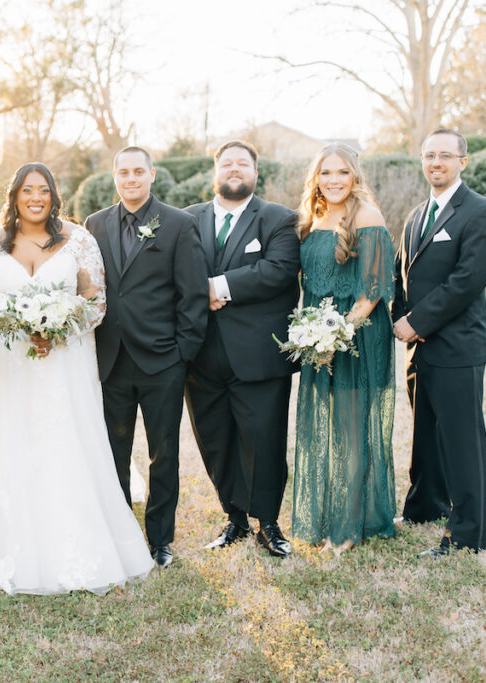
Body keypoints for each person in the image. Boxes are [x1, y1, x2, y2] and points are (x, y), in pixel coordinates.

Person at [0, 163, 154, 594]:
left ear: (55, 196)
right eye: (27, 190)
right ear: (14, 195)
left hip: (63, 363)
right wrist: (16, 326)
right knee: (7, 443)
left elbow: (95, 301)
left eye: (44, 190)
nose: (36, 197)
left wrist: (57, 330)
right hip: (6, 363)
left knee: (64, 444)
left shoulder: (79, 240)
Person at [84, 146, 208, 568]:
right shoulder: (94, 225)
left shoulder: (178, 224)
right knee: (113, 453)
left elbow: (193, 294)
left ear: (152, 175)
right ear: (114, 175)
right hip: (110, 361)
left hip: (162, 362)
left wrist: (182, 355)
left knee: (164, 454)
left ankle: (160, 539)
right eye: (124, 171)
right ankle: (120, 535)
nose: (131, 178)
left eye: (139, 171)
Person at [183, 140, 300, 558]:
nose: (235, 169)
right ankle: (233, 519)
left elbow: (278, 271)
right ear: (216, 170)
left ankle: (267, 522)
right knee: (215, 439)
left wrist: (218, 286)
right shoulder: (188, 219)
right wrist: (200, 289)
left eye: (243, 164)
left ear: (255, 172)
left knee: (263, 440)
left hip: (258, 355)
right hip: (200, 354)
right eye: (227, 163)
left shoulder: (279, 219)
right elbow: (176, 270)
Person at [393, 129, 486, 557]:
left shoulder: (480, 212)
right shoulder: (417, 213)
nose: (435, 162)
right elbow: (404, 273)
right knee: (426, 434)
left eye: (445, 155)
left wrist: (417, 322)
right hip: (418, 348)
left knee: (462, 441)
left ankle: (468, 534)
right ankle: (424, 507)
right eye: (428, 155)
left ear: (463, 161)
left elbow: (466, 281)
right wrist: (398, 317)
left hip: (457, 346)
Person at [291, 143, 397, 555]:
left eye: (342, 172)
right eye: (325, 173)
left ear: (355, 176)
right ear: (315, 178)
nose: (334, 180)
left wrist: (337, 335)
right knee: (325, 426)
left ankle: (350, 525)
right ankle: (323, 516)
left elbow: (372, 290)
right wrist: (313, 336)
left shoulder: (368, 217)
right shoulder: (312, 217)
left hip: (356, 336)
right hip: (317, 337)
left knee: (351, 430)